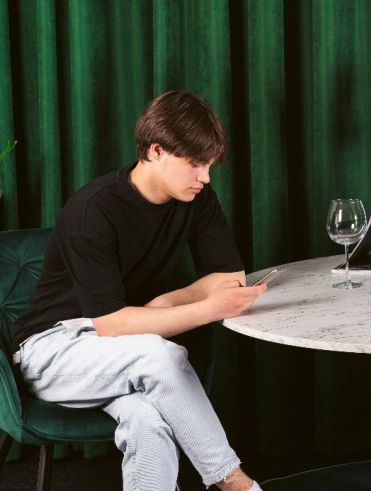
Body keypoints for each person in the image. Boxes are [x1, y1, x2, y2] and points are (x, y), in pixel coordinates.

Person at [12, 90, 266, 491]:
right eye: (196, 163)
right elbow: (112, 323)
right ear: (157, 150)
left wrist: (169, 302)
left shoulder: (198, 199)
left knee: (149, 419)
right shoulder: (93, 209)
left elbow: (230, 277)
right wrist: (205, 307)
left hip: (125, 348)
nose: (205, 177)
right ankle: (234, 483)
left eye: (210, 165)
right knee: (159, 355)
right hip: (53, 350)